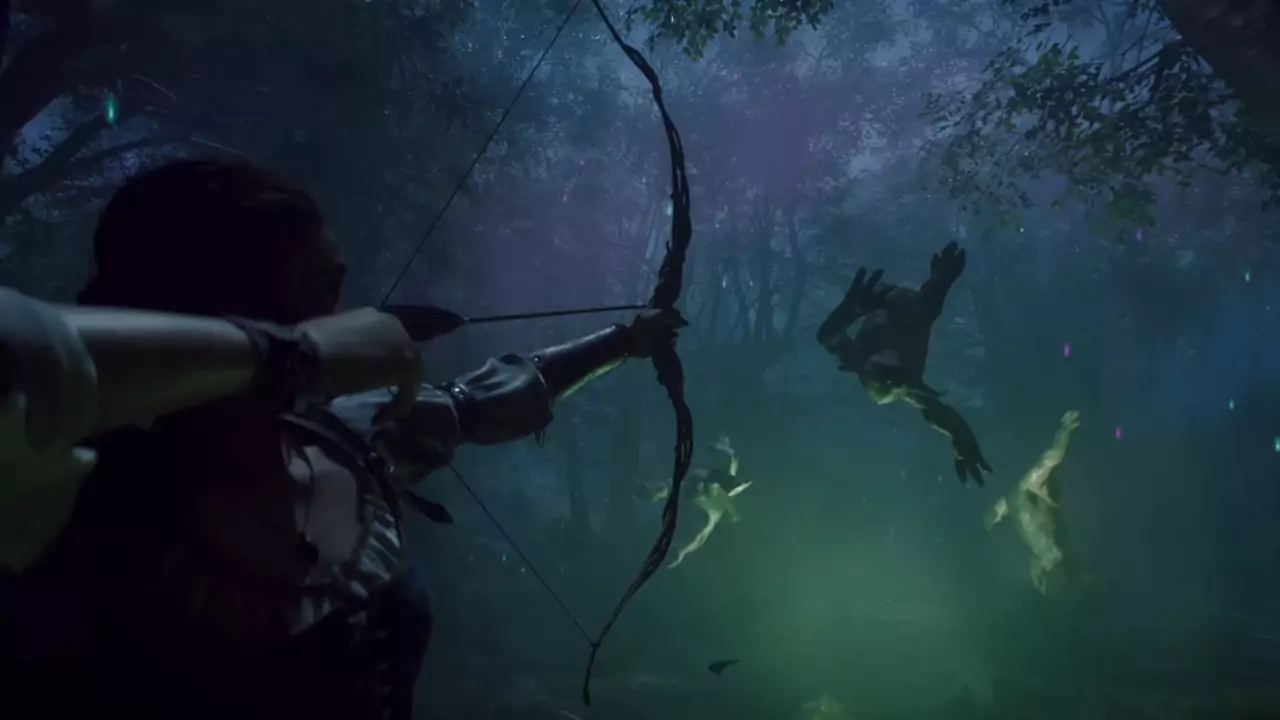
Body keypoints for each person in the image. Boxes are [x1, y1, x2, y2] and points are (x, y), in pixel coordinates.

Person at [1, 158, 685, 720]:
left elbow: (487, 400)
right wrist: (300, 356)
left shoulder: (345, 442)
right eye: (324, 295)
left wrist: (625, 339)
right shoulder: (83, 502)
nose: (351, 321)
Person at [0, 286, 423, 571]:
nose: (348, 315)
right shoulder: (101, 498)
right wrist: (293, 353)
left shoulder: (364, 514)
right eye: (325, 282)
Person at [817, 241, 993, 486]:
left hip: (891, 311)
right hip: (910, 312)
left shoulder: (860, 355)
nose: (886, 366)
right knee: (926, 304)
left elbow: (827, 337)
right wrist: (962, 437)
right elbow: (935, 410)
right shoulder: (909, 335)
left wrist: (852, 308)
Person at [984, 410, 1090, 594]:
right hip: (1042, 544)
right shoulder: (1025, 489)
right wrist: (1066, 428)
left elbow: (991, 518)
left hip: (1041, 546)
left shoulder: (1012, 502)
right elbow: (1053, 456)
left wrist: (993, 521)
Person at [638, 434, 751, 568]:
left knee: (701, 525)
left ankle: (676, 551)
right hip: (695, 507)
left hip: (701, 512)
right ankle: (676, 550)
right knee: (700, 524)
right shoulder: (701, 479)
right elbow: (675, 486)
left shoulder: (713, 502)